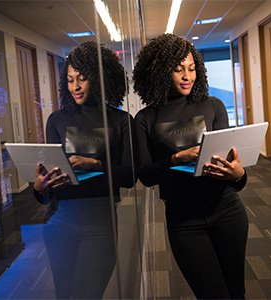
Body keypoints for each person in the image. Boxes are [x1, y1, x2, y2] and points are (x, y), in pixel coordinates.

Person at [133, 33, 248, 299]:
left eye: (192, 68)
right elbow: (146, 176)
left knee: (236, 292)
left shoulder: (213, 106)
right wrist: (175, 159)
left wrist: (239, 174)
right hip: (184, 221)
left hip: (227, 211)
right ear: (161, 72)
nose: (187, 76)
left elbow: (233, 169)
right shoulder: (145, 118)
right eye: (178, 69)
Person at [33, 41, 136, 299]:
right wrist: (39, 188)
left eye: (82, 78)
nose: (75, 87)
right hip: (59, 221)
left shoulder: (120, 120)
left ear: (100, 79)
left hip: (100, 223)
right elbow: (50, 181)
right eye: (70, 80)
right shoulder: (57, 120)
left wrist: (97, 164)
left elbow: (130, 176)